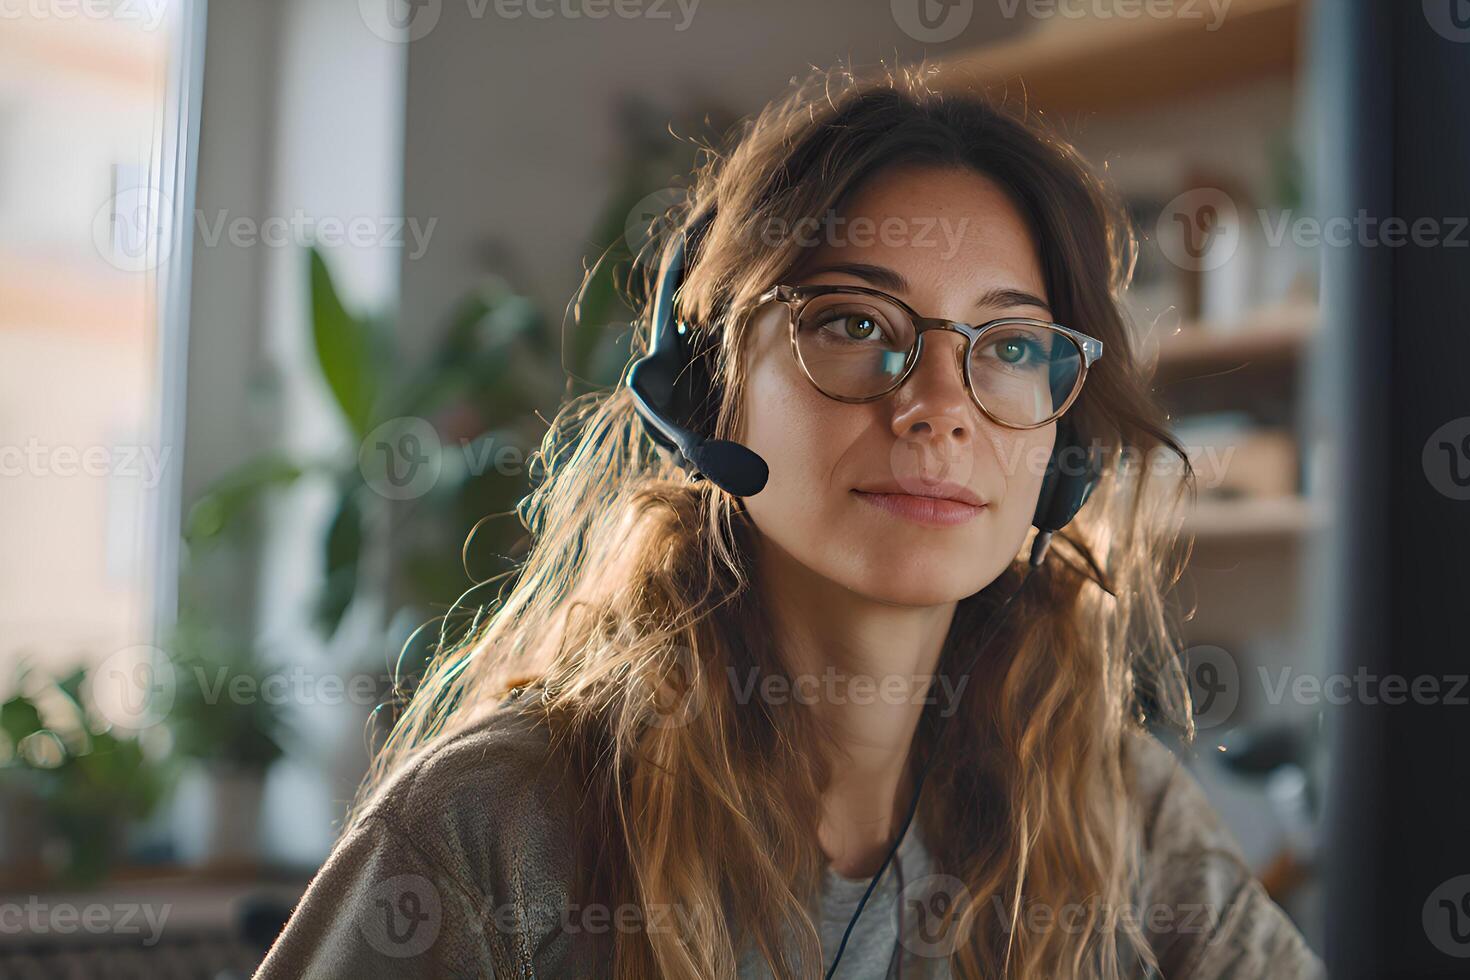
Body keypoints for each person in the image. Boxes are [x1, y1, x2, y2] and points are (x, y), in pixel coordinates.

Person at [254, 64, 1324, 980]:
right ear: (710, 390)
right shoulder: (497, 826)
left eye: (1008, 345)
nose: (939, 407)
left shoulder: (1112, 809)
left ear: (1065, 446)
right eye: (855, 322)